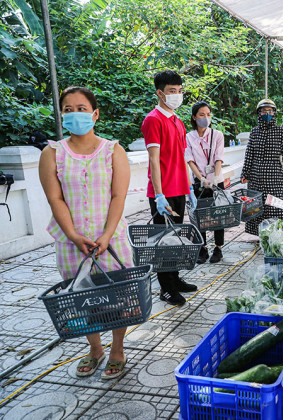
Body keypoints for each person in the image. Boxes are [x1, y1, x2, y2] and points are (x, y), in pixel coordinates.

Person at [39, 86, 133, 380]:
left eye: (81, 108)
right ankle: (95, 349)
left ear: (95, 114)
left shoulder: (113, 150)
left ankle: (117, 349)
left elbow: (118, 196)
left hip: (111, 240)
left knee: (119, 297)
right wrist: (72, 235)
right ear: (62, 115)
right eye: (68, 109)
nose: (75, 114)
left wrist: (106, 235)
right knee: (81, 298)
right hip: (71, 243)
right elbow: (55, 199)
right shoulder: (51, 153)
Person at [141, 70, 198, 306]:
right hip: (162, 193)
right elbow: (154, 160)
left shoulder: (177, 121)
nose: (177, 95)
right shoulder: (153, 120)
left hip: (179, 189)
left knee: (176, 238)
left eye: (179, 91)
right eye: (172, 91)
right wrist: (159, 194)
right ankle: (166, 288)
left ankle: (175, 279)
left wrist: (190, 188)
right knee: (163, 240)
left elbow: (182, 156)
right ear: (160, 93)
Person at [241, 99, 283, 235]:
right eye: (264, 111)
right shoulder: (254, 132)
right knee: (256, 208)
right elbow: (249, 154)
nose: (267, 114)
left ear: (274, 113)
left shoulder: (280, 132)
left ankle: (275, 235)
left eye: (270, 111)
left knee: (274, 206)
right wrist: (244, 173)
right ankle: (260, 237)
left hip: (274, 177)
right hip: (255, 177)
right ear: (259, 113)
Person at [185, 102, 225, 264]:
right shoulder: (188, 137)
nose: (206, 118)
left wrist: (214, 178)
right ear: (194, 117)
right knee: (199, 216)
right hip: (198, 181)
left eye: (208, 114)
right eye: (202, 115)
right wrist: (201, 178)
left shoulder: (217, 135)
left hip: (216, 181)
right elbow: (190, 159)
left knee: (219, 215)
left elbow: (218, 157)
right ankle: (203, 248)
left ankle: (218, 248)